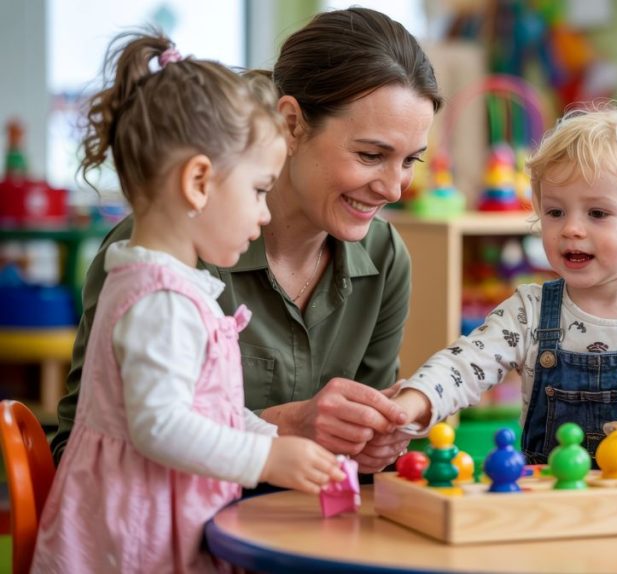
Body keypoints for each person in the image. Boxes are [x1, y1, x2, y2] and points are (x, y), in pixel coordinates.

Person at [51, 7, 444, 473]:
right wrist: (284, 429)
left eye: (410, 161)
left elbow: (359, 458)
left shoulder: (384, 257)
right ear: (292, 124)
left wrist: (374, 445)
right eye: (371, 155)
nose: (394, 188)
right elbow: (77, 453)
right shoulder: (160, 252)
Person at [33, 33, 347, 573]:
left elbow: (207, 411)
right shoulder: (161, 301)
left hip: (151, 523)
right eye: (257, 190)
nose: (266, 213)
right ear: (199, 181)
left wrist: (270, 435)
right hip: (134, 541)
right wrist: (267, 457)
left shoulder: (162, 286)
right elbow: (161, 425)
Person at [393, 105, 617, 477]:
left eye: (597, 213)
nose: (571, 229)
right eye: (555, 212)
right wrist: (413, 402)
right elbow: (464, 365)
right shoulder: (529, 311)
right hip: (555, 511)